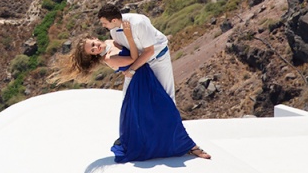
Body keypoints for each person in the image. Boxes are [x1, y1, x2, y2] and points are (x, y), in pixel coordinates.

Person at [68, 11, 210, 162]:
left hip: (145, 71)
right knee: (155, 111)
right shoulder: (108, 58)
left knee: (164, 107)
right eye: (92, 50)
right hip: (138, 80)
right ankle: (175, 145)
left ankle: (181, 144)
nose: (96, 47)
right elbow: (133, 58)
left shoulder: (111, 40)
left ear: (94, 38)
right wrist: (129, 36)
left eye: (93, 44)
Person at [98, 4, 175, 101]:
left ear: (113, 20)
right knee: (132, 98)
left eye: (104, 23)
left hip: (158, 59)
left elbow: (149, 51)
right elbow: (126, 51)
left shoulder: (138, 23)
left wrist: (131, 70)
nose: (103, 26)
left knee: (167, 96)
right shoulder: (113, 32)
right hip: (140, 64)